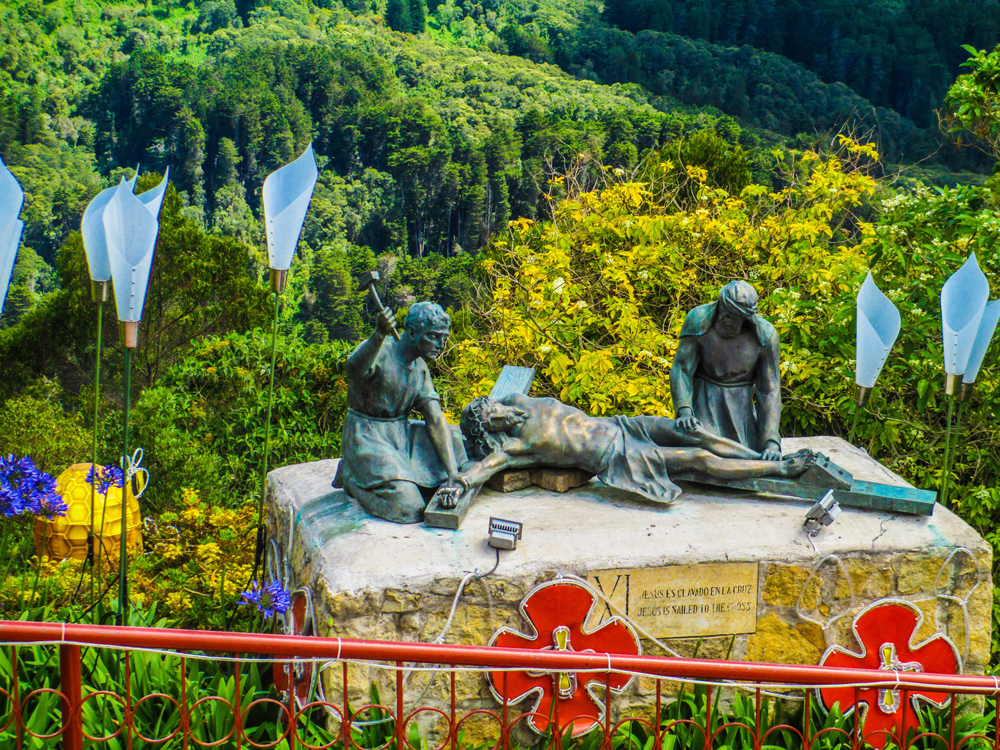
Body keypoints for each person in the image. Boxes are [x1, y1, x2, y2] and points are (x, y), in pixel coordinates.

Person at [443, 393, 813, 508]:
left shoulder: (516, 397)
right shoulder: (514, 446)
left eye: (493, 408)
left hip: (620, 424)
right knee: (698, 460)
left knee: (692, 431)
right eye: (492, 420)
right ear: (491, 430)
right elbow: (483, 468)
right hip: (616, 455)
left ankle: (760, 456)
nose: (500, 414)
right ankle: (779, 470)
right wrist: (457, 484)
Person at [336, 301, 467, 523]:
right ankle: (351, 477)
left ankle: (408, 479)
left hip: (401, 434)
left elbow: (435, 418)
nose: (441, 344)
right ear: (413, 333)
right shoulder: (380, 350)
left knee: (457, 443)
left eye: (443, 337)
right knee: (409, 509)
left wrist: (452, 471)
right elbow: (353, 368)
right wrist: (378, 334)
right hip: (367, 435)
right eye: (434, 336)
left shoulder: (419, 367)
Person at [670, 281, 782, 460]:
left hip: (741, 406)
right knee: (701, 453)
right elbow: (682, 368)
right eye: (723, 311)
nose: (724, 319)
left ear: (746, 318)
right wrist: (685, 410)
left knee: (745, 457)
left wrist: (771, 442)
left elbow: (770, 391)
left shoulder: (766, 336)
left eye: (732, 316)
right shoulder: (698, 320)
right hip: (703, 398)